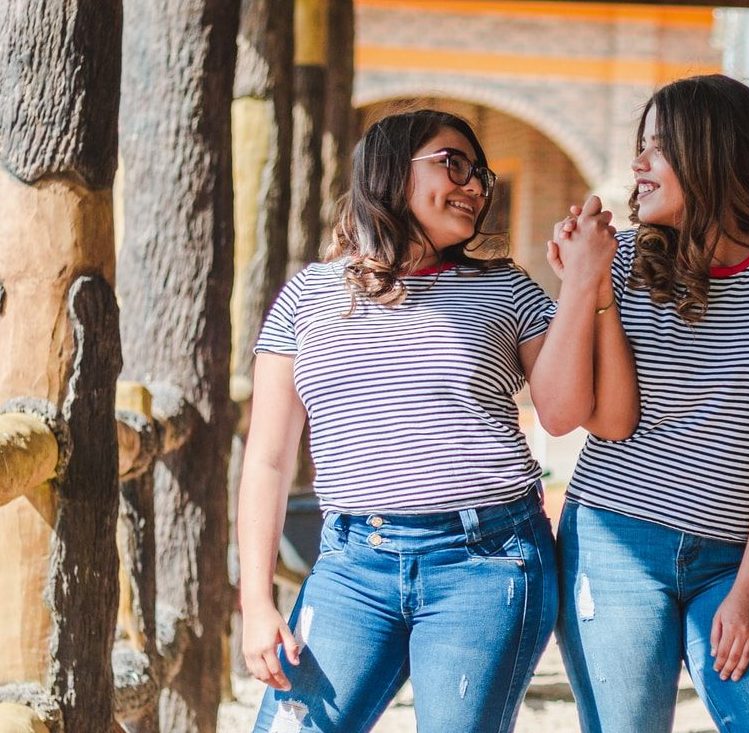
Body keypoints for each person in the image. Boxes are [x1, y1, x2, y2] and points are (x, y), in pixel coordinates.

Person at [237, 109, 635, 733]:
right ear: (390, 170)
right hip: (351, 567)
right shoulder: (306, 295)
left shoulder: (507, 290)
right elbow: (266, 458)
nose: (474, 185)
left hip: (489, 561)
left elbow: (563, 415)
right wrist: (256, 601)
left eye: (481, 175)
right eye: (453, 164)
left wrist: (584, 282)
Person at [549, 74, 749, 733]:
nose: (638, 164)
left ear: (717, 152)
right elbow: (605, 420)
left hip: (740, 555)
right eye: (642, 144)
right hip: (613, 535)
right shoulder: (623, 257)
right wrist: (589, 283)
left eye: (659, 147)